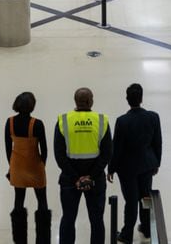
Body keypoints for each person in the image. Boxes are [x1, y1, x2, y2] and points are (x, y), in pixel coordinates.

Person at [54, 87, 112, 244]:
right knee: (97, 220)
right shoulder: (102, 120)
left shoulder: (63, 120)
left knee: (68, 218)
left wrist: (75, 178)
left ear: (76, 101)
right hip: (95, 180)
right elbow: (107, 153)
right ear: (90, 101)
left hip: (69, 180)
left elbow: (59, 155)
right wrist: (90, 177)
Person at [107, 83, 162, 243]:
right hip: (147, 164)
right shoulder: (153, 117)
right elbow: (157, 142)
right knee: (145, 196)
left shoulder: (122, 121)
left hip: (128, 168)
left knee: (131, 201)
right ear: (142, 98)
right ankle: (146, 228)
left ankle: (126, 234)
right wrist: (156, 162)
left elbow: (117, 147)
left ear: (127, 99)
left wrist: (111, 168)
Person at [5, 92, 49, 244]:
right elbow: (44, 149)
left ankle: (19, 239)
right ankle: (43, 239)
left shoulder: (9, 122)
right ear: (32, 106)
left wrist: (11, 167)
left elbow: (7, 147)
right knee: (42, 201)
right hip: (35, 165)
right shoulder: (37, 124)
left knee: (18, 201)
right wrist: (42, 164)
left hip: (17, 165)